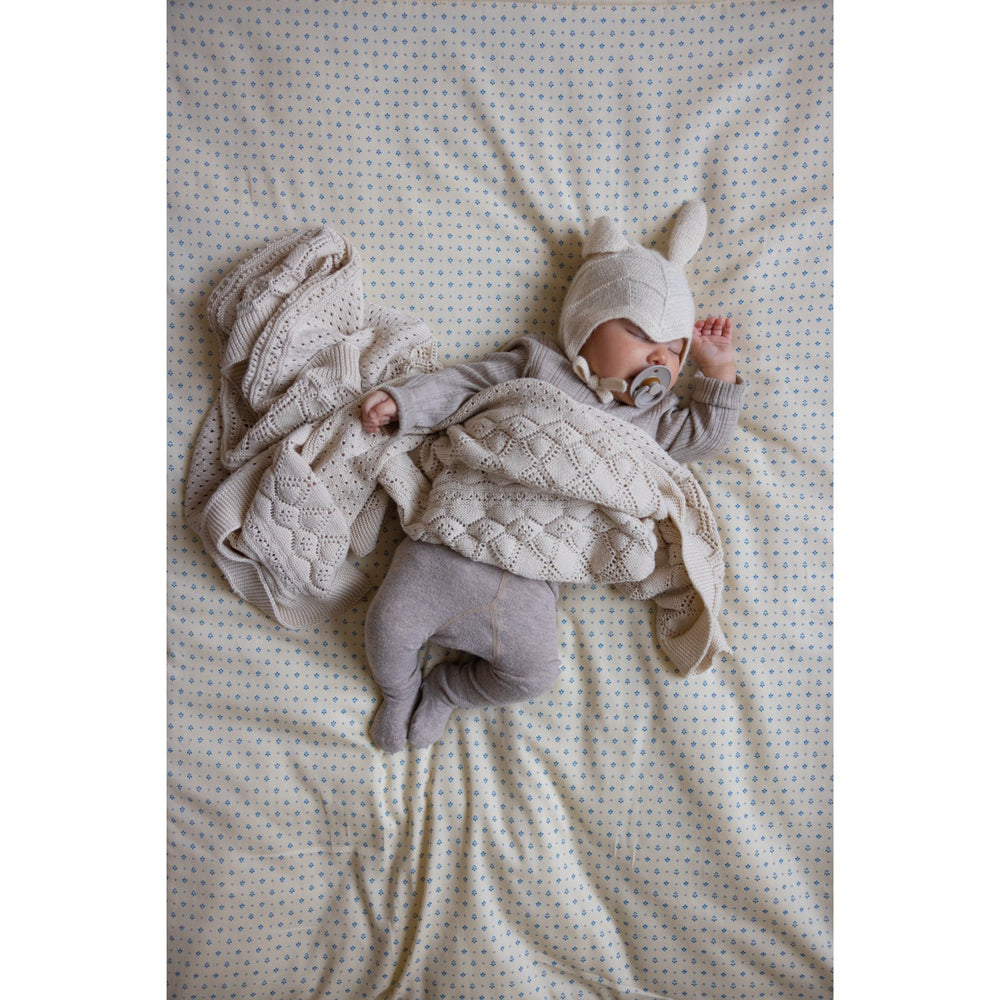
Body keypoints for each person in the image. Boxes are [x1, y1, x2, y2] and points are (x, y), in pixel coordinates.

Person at [359, 209, 746, 752]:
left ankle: (446, 690)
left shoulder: (652, 422)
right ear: (588, 321)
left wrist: (717, 369)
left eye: (675, 349)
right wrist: (404, 403)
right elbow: (463, 385)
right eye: (640, 334)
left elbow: (704, 437)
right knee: (386, 627)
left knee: (535, 676)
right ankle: (399, 694)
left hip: (531, 586)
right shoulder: (535, 365)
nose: (660, 356)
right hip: (448, 545)